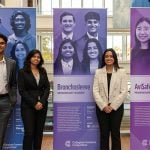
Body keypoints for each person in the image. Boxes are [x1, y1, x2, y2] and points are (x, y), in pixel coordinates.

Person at [93, 48, 128, 150]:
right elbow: (95, 91)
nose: (109, 58)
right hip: (102, 109)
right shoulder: (98, 72)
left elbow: (124, 91)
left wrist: (112, 106)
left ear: (115, 58)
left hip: (116, 109)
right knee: (104, 135)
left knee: (115, 134)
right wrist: (104, 106)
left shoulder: (122, 72)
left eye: (111, 56)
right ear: (104, 58)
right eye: (106, 56)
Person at [17, 49, 50, 150]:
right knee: (29, 133)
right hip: (28, 107)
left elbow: (47, 88)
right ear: (29, 58)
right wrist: (35, 103)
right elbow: (22, 91)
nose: (36, 59)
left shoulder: (43, 71)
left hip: (42, 107)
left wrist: (42, 102)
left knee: (39, 133)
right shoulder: (22, 72)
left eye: (38, 57)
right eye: (34, 56)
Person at [0, 34, 17, 149]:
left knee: (1, 133)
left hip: (6, 101)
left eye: (2, 43)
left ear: (5, 45)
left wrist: (13, 100)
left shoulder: (11, 63)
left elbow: (13, 83)